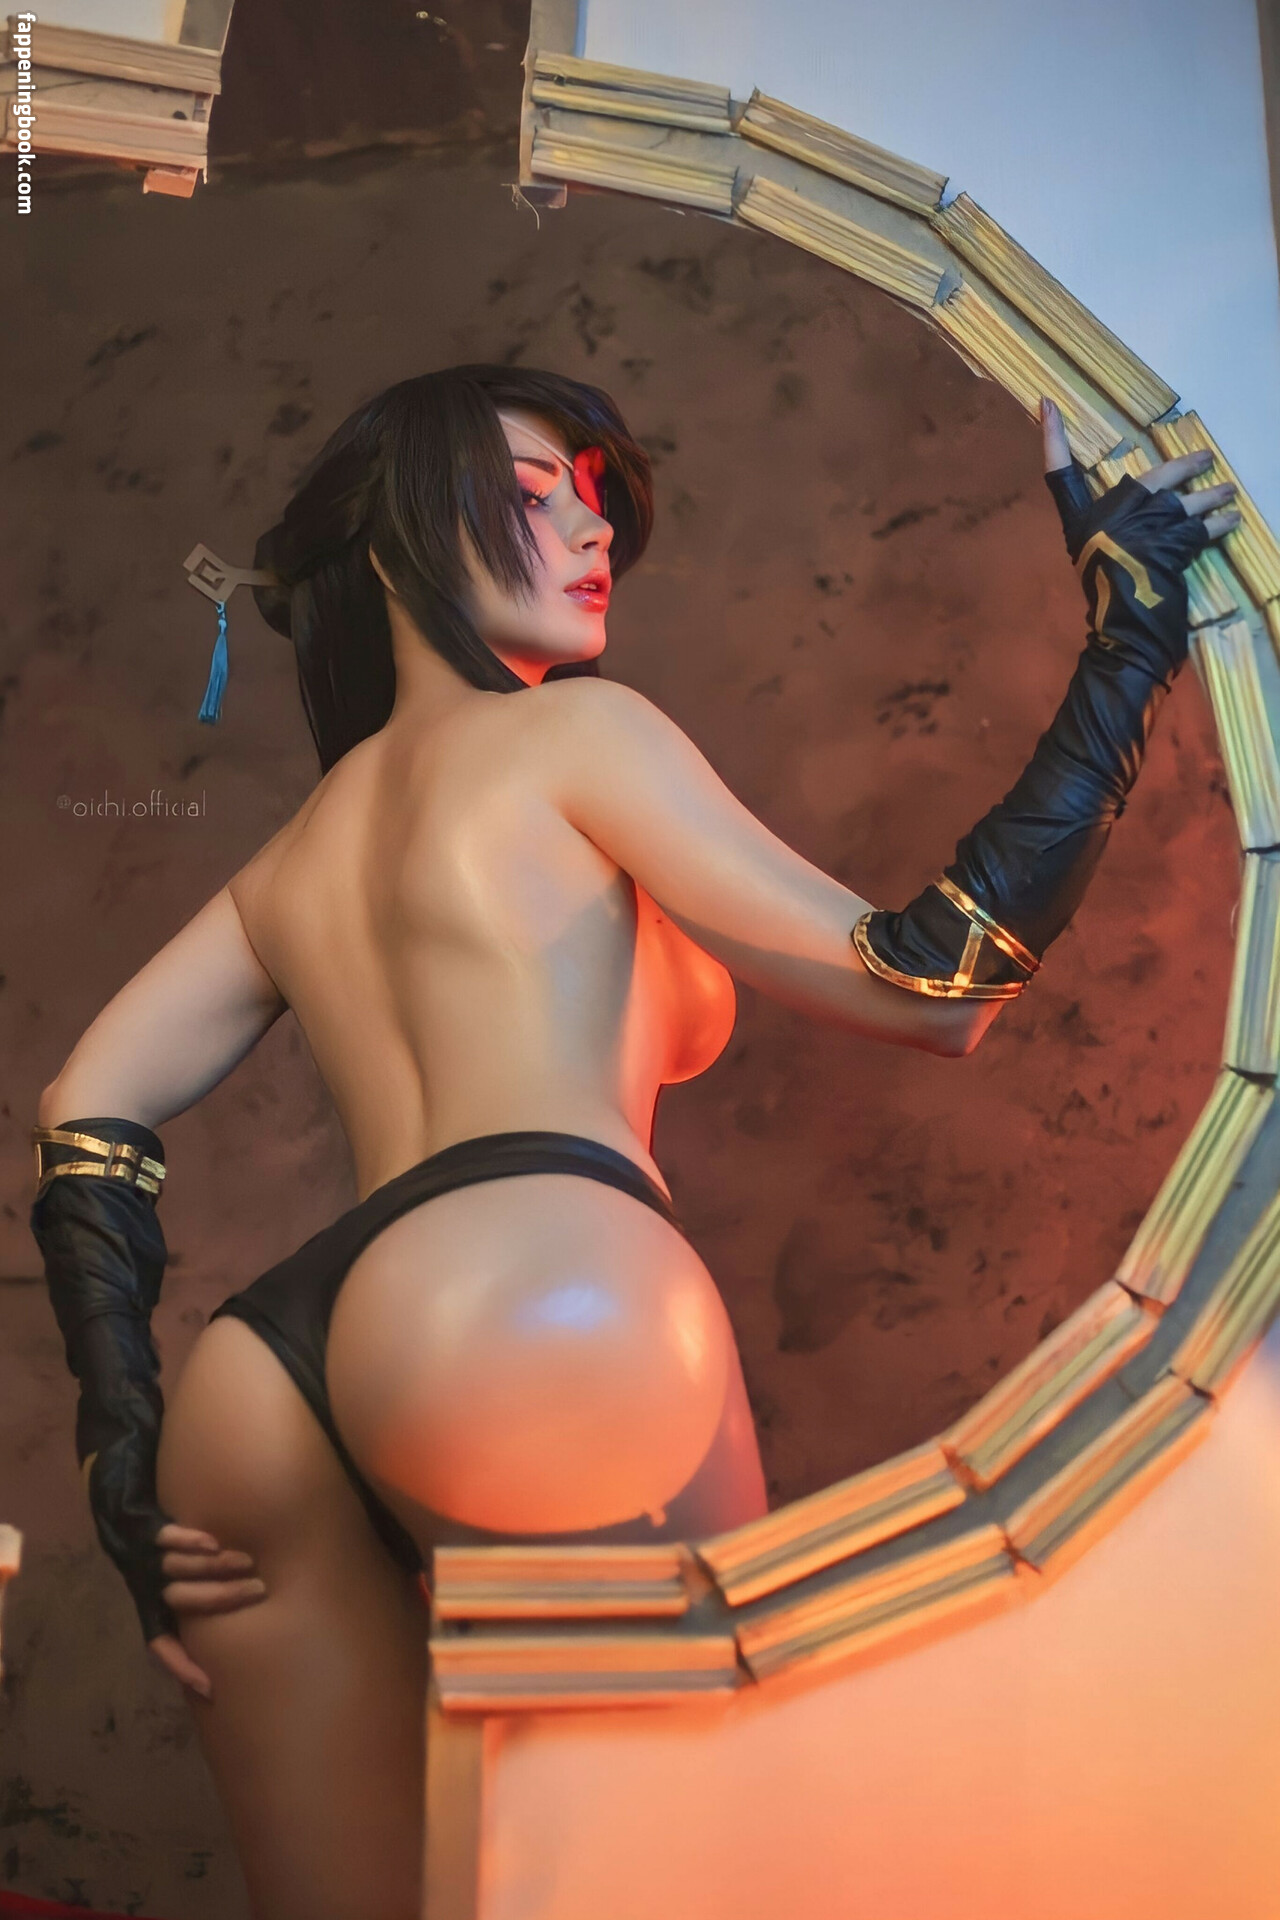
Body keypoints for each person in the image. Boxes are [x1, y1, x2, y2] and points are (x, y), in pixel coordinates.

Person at [29, 365, 1238, 1920]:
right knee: (665, 1877)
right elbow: (930, 981)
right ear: (395, 545)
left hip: (256, 1397)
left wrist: (125, 1458)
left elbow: (86, 1106)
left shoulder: (298, 855)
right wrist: (1131, 634)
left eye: (596, 500)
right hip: (539, 1308)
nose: (592, 530)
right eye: (535, 494)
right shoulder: (579, 738)